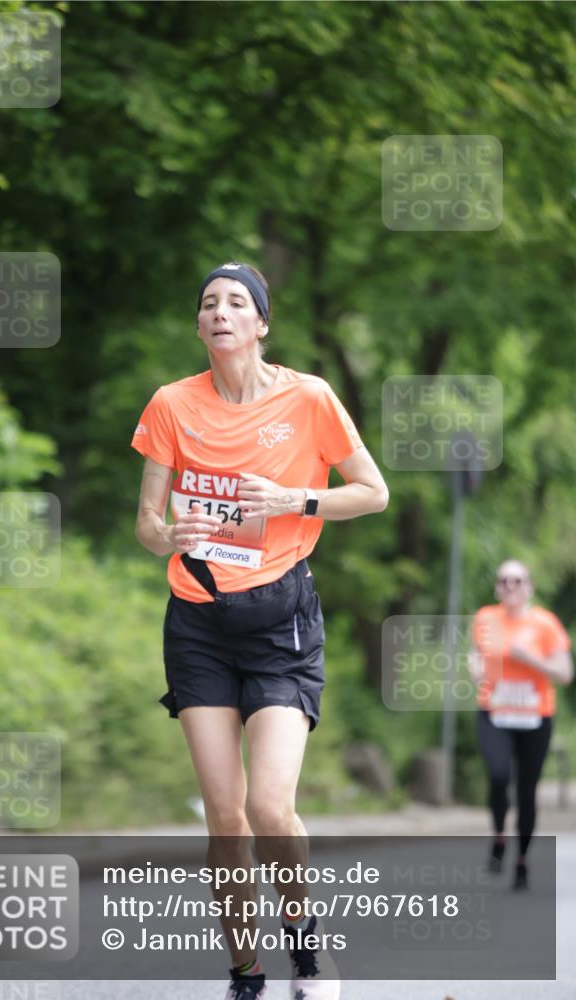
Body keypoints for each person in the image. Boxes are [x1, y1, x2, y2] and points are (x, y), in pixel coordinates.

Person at [131, 262, 389, 999]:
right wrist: (168, 532)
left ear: (260, 323)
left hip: (281, 623)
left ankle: (304, 943)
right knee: (224, 814)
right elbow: (147, 525)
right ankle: (244, 972)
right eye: (208, 303)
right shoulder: (171, 406)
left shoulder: (308, 398)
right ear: (200, 324)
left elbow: (373, 493)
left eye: (236, 302)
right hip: (199, 623)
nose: (219, 312)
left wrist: (293, 499)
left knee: (270, 806)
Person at [469, 559, 573, 889]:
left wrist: (530, 658)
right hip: (495, 711)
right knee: (499, 775)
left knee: (527, 790)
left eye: (517, 581)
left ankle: (522, 859)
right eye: (504, 581)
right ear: (498, 587)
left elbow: (565, 673)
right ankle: (499, 835)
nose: (510, 587)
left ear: (528, 586)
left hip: (535, 715)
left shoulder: (545, 623)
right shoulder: (486, 617)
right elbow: (475, 652)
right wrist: (474, 668)